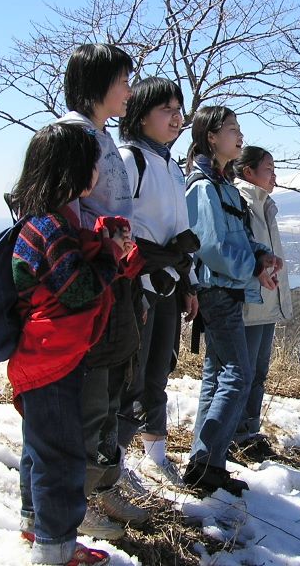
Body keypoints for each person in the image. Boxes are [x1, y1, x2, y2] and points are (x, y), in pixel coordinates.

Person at [9, 122, 130, 566]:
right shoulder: (50, 228)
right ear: (73, 172)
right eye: (92, 164)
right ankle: (56, 548)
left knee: (40, 447)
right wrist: (112, 257)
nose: (98, 172)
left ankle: (34, 522)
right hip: (51, 359)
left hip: (42, 356)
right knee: (61, 457)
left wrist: (103, 243)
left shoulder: (47, 222)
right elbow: (78, 290)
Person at [58, 43, 147, 539]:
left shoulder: (102, 136)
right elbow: (59, 216)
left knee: (114, 385)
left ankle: (101, 482)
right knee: (90, 391)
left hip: (114, 278)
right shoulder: (71, 138)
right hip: (87, 282)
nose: (130, 90)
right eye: (122, 80)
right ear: (96, 83)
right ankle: (76, 498)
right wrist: (104, 239)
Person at [183, 106, 283, 495]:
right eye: (231, 129)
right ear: (211, 136)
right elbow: (212, 247)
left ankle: (203, 462)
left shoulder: (225, 185)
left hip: (229, 289)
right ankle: (207, 464)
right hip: (217, 291)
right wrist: (252, 267)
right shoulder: (203, 187)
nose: (239, 135)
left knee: (218, 376)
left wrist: (261, 255)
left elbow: (239, 237)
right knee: (237, 375)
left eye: (239, 129)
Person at [116, 77, 200, 486]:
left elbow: (179, 229)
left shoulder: (170, 165)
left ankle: (155, 455)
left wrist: (188, 284)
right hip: (137, 283)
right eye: (166, 109)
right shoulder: (130, 160)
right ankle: (110, 463)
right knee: (129, 373)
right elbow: (119, 227)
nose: (176, 117)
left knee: (158, 370)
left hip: (168, 281)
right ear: (140, 114)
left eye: (178, 110)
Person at [232, 147, 293, 456]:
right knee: (242, 373)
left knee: (257, 372)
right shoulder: (241, 204)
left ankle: (249, 432)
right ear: (248, 172)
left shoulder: (264, 205)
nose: (274, 176)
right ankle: (235, 436)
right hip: (248, 302)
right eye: (268, 169)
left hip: (265, 302)